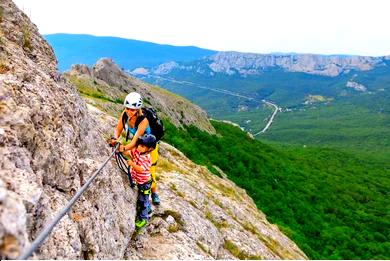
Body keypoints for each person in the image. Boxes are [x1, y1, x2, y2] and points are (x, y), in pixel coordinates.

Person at [109, 92, 161, 205]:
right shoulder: (125, 114)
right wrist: (115, 138)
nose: (129, 111)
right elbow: (118, 129)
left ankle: (154, 192)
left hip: (149, 148)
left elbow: (135, 141)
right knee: (134, 162)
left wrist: (122, 148)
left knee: (149, 170)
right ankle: (138, 181)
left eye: (132, 110)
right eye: (127, 108)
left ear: (138, 109)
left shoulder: (144, 120)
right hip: (139, 145)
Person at [127, 134, 157, 229]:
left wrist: (132, 164)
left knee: (143, 200)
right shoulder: (138, 151)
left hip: (144, 183)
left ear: (150, 149)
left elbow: (140, 169)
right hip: (139, 181)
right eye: (139, 144)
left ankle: (144, 218)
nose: (139, 147)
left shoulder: (147, 158)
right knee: (143, 198)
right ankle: (147, 209)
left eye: (143, 146)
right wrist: (121, 149)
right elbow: (129, 153)